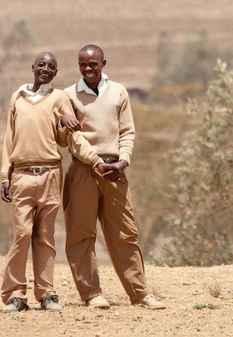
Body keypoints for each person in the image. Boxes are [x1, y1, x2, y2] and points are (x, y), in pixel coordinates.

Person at [62, 44, 165, 309]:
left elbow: (127, 132)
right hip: (84, 170)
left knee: (125, 234)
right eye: (82, 64)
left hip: (115, 172)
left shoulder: (119, 92)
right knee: (81, 235)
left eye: (93, 63)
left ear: (103, 63)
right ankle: (92, 294)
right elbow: (69, 139)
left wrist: (123, 162)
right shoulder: (68, 96)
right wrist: (94, 162)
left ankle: (140, 294)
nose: (88, 68)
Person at [0, 52, 103, 313]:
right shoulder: (18, 97)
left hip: (50, 174)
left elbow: (64, 135)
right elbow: (9, 138)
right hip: (22, 175)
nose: (46, 69)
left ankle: (46, 294)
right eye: (42, 65)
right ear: (32, 67)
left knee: (45, 236)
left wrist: (63, 121)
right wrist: (5, 175)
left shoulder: (58, 97)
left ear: (55, 74)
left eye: (52, 67)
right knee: (22, 234)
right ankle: (15, 295)